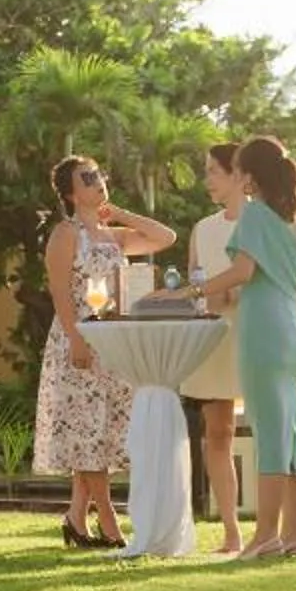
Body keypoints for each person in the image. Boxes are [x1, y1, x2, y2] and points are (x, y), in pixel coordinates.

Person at [195, 136, 296, 559]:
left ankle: (265, 536)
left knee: (270, 435)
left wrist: (197, 289)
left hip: (264, 333)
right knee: (291, 434)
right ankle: (295, 534)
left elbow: (242, 270)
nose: (235, 178)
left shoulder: (256, 215)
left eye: (238, 170)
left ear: (250, 177)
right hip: (293, 335)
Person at [37, 155, 173, 548]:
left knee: (102, 433)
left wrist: (122, 213)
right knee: (86, 430)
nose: (98, 183)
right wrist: (76, 339)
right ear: (69, 192)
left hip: (113, 343)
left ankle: (76, 520)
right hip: (78, 337)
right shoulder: (65, 234)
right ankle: (109, 522)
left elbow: (165, 238)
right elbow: (60, 292)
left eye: (99, 177)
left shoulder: (114, 236)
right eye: (88, 179)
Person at [188, 146, 250, 552]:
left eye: (214, 171)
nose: (208, 179)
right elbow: (194, 278)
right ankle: (231, 531)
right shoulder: (203, 228)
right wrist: (206, 298)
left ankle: (285, 529)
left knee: (275, 430)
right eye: (206, 171)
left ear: (237, 174)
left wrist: (233, 291)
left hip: (254, 332)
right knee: (218, 433)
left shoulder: (262, 221)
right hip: (213, 337)